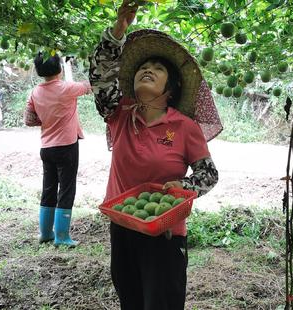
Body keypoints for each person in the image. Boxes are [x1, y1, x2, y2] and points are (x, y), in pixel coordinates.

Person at [89, 1, 223, 308]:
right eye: (143, 68)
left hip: (165, 235)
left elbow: (208, 174)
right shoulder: (119, 113)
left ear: (171, 88)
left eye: (158, 68)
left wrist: (185, 189)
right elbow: (101, 78)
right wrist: (117, 31)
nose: (148, 69)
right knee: (131, 302)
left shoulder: (184, 126)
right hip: (122, 229)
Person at [24, 52, 92, 247]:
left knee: (49, 189)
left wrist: (46, 120)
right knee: (67, 189)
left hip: (46, 147)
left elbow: (28, 120)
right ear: (60, 68)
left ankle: (46, 233)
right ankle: (62, 236)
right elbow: (90, 87)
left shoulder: (35, 92)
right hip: (67, 147)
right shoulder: (66, 88)